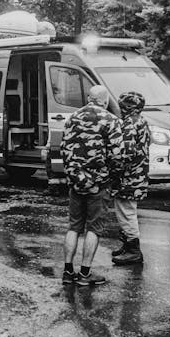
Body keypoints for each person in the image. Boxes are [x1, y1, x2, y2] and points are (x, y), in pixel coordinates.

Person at [60, 85, 124, 287]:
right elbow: (117, 155)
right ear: (105, 101)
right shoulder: (111, 120)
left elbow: (64, 150)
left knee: (74, 227)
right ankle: (85, 274)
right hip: (99, 183)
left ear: (89, 98)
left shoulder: (72, 119)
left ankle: (68, 272)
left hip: (76, 183)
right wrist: (113, 180)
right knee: (94, 228)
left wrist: (75, 177)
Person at [110, 91, 150, 266]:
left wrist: (114, 170)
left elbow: (125, 153)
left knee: (126, 212)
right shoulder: (143, 121)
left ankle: (133, 250)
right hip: (139, 174)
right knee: (128, 211)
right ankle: (128, 245)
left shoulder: (128, 124)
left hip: (127, 177)